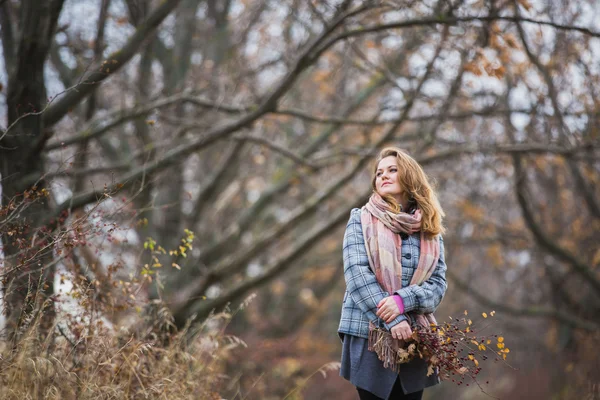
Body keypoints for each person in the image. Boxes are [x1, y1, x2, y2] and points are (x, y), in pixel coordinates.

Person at [338, 147, 448, 400]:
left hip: (415, 336)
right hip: (368, 334)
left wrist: (403, 301)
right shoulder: (360, 219)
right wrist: (392, 320)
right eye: (379, 173)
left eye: (392, 170)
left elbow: (438, 285)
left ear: (409, 177)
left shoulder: (430, 229)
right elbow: (356, 275)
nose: (383, 176)